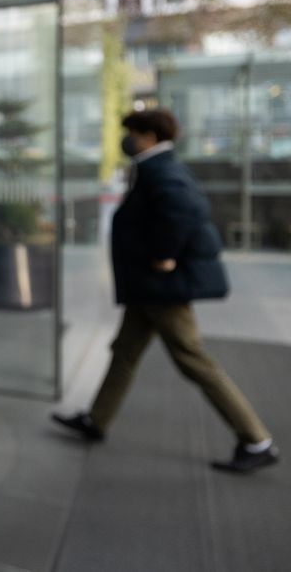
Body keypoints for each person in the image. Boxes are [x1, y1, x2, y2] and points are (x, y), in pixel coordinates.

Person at [53, 109, 277, 474]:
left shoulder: (162, 170)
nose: (127, 140)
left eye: (132, 133)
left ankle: (256, 439)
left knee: (192, 358)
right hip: (148, 287)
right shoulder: (155, 167)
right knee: (124, 351)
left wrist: (164, 255)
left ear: (150, 137)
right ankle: (96, 420)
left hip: (161, 287)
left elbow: (184, 209)